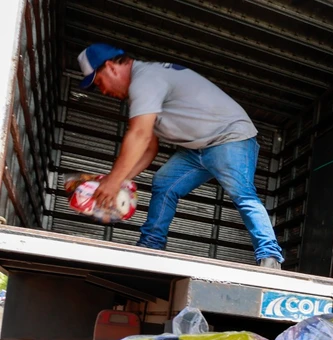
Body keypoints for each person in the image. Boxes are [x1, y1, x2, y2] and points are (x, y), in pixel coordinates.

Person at [74, 44, 284, 269]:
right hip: (197, 150)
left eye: (99, 82)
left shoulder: (146, 80)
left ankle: (270, 257)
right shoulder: (142, 90)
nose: (103, 91)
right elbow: (149, 148)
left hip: (230, 138)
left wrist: (114, 181)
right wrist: (121, 180)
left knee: (243, 194)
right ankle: (151, 246)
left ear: (110, 67)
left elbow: (140, 135)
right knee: (164, 183)